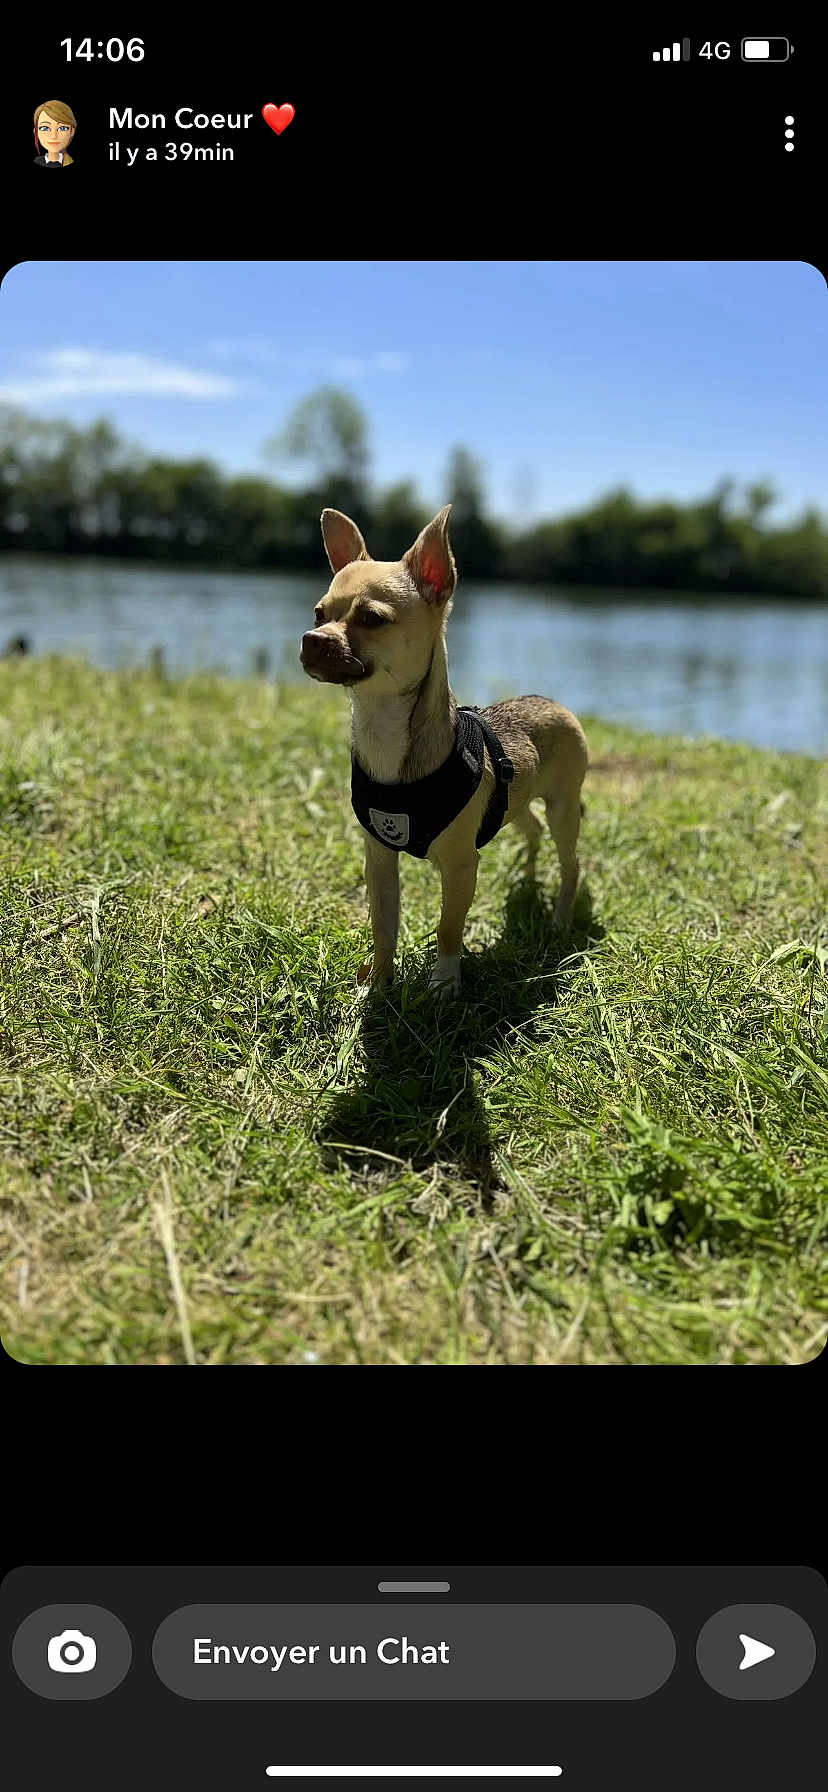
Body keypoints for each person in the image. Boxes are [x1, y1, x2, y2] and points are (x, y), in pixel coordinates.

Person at [33, 101, 77, 165]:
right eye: (45, 128)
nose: (53, 136)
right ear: (36, 132)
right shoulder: (37, 161)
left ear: (71, 131)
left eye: (62, 128)